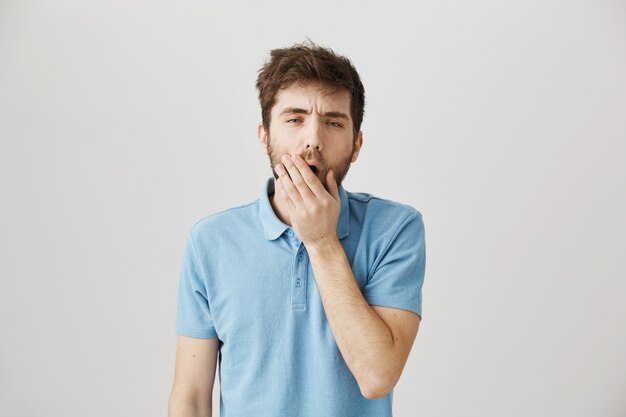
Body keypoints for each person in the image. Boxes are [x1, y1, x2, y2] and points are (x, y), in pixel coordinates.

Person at [168, 40, 426, 417]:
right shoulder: (211, 241)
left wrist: (321, 241)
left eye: (333, 122)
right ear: (264, 136)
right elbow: (190, 397)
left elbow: (377, 376)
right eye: (294, 119)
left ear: (356, 145)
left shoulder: (395, 229)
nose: (313, 140)